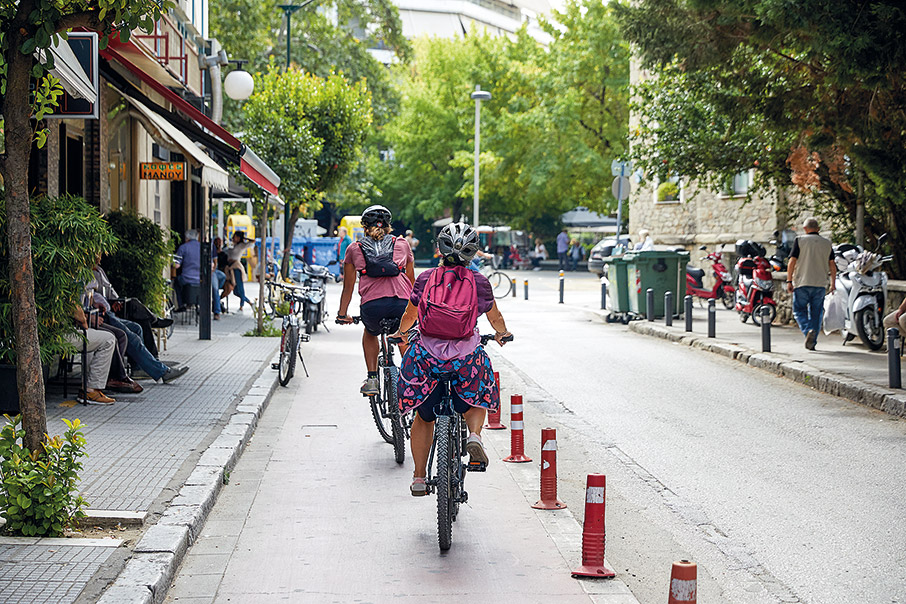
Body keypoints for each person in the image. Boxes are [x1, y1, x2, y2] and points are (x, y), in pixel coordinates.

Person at [391, 222, 513, 496]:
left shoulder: (425, 279)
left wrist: (401, 333)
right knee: (478, 394)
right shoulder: (479, 282)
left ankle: (420, 477)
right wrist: (502, 334)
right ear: (473, 254)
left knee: (423, 416)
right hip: (465, 359)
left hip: (427, 358)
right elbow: (495, 317)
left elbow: (410, 316)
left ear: (439, 250)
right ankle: (474, 436)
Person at [336, 205, 415, 395]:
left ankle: (372, 379)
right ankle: (412, 379)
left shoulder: (354, 248)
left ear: (364, 227)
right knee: (402, 333)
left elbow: (348, 287)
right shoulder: (403, 244)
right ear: (389, 226)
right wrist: (416, 312)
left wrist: (342, 314)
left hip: (372, 307)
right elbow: (412, 283)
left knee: (370, 332)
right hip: (401, 304)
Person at [786, 217, 836, 350]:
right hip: (820, 283)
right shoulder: (827, 243)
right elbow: (832, 265)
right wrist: (833, 283)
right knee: (817, 312)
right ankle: (812, 338)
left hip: (802, 282)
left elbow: (792, 262)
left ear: (805, 229)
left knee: (799, 310)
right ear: (818, 229)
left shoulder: (800, 241)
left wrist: (789, 280)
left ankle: (808, 330)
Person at [66, 307, 117, 404]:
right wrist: (84, 322)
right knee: (108, 339)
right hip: (60, 336)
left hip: (51, 334)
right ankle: (91, 390)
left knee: (93, 340)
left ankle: (87, 388)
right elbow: (78, 314)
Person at [225, 231, 254, 310]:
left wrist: (244, 238)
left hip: (236, 267)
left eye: (235, 236)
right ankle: (249, 302)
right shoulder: (233, 245)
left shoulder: (241, 245)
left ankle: (242, 305)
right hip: (230, 267)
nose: (233, 238)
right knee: (235, 291)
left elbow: (252, 242)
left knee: (240, 287)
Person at [175, 230, 202, 309]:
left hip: (186, 279)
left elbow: (177, 265)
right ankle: (197, 304)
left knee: (177, 282)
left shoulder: (183, 247)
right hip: (200, 280)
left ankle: (181, 305)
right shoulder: (202, 247)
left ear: (187, 238)